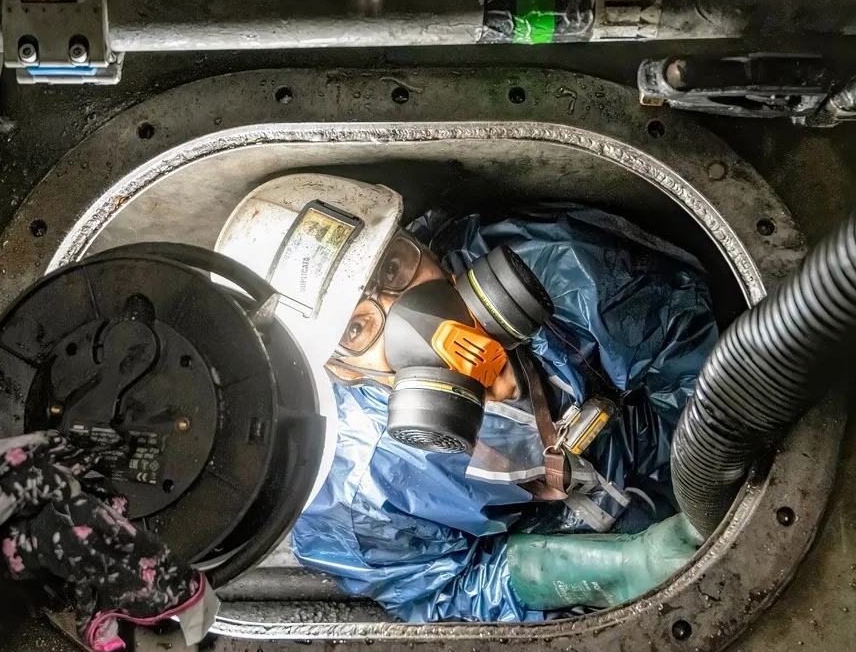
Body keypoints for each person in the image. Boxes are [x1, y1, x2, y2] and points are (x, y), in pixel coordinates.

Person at [217, 174, 717, 622]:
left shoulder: (548, 262)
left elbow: (694, 358)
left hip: (670, 444)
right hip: (559, 538)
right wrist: (613, 572)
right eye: (356, 329)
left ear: (414, 240)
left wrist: (710, 464)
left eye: (394, 270)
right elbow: (445, 587)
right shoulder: (356, 490)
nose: (410, 317)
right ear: (335, 370)